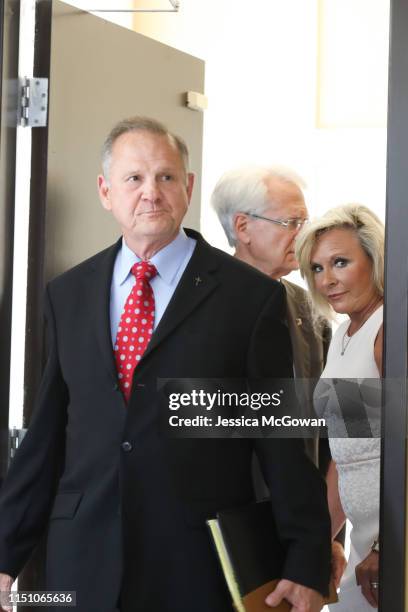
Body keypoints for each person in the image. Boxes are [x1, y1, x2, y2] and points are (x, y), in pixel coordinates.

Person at [0, 117, 331, 612]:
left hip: (195, 564)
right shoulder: (67, 294)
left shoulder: (250, 298)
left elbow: (280, 434)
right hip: (80, 563)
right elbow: (46, 436)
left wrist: (307, 562)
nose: (151, 193)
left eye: (166, 177)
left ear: (188, 187)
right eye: (134, 178)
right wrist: (5, 554)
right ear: (105, 191)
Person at [211, 165, 346, 586]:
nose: (305, 235)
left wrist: (327, 535)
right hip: (216, 533)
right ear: (243, 227)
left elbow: (342, 434)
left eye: (305, 222)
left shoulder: (313, 310)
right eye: (291, 222)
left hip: (297, 531)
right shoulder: (198, 308)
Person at [296, 203, 384, 611]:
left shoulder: (390, 330)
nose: (327, 280)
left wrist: (390, 545)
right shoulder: (346, 332)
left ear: (375, 259)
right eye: (316, 268)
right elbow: (349, 453)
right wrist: (316, 541)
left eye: (340, 262)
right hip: (364, 543)